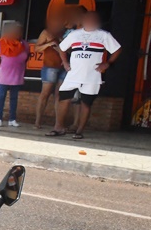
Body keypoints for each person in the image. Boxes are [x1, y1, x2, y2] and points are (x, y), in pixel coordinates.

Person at [47, 11, 122, 140]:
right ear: (84, 20)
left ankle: (79, 130)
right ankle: (58, 127)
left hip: (92, 76)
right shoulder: (75, 35)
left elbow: (117, 49)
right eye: (88, 19)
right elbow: (62, 48)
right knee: (64, 99)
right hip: (73, 74)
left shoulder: (103, 35)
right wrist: (65, 62)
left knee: (86, 103)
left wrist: (108, 63)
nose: (91, 21)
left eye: (94, 19)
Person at [0, 22, 29, 128]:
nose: (18, 33)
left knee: (14, 97)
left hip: (17, 73)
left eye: (20, 31)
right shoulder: (3, 42)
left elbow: (27, 55)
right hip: (4, 73)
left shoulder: (24, 44)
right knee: (1, 96)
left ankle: (12, 119)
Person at [34, 13, 67, 129]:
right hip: (50, 67)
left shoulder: (65, 34)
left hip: (63, 67)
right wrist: (49, 44)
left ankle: (58, 123)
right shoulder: (46, 32)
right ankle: (37, 122)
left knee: (59, 95)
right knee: (45, 94)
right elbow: (36, 48)